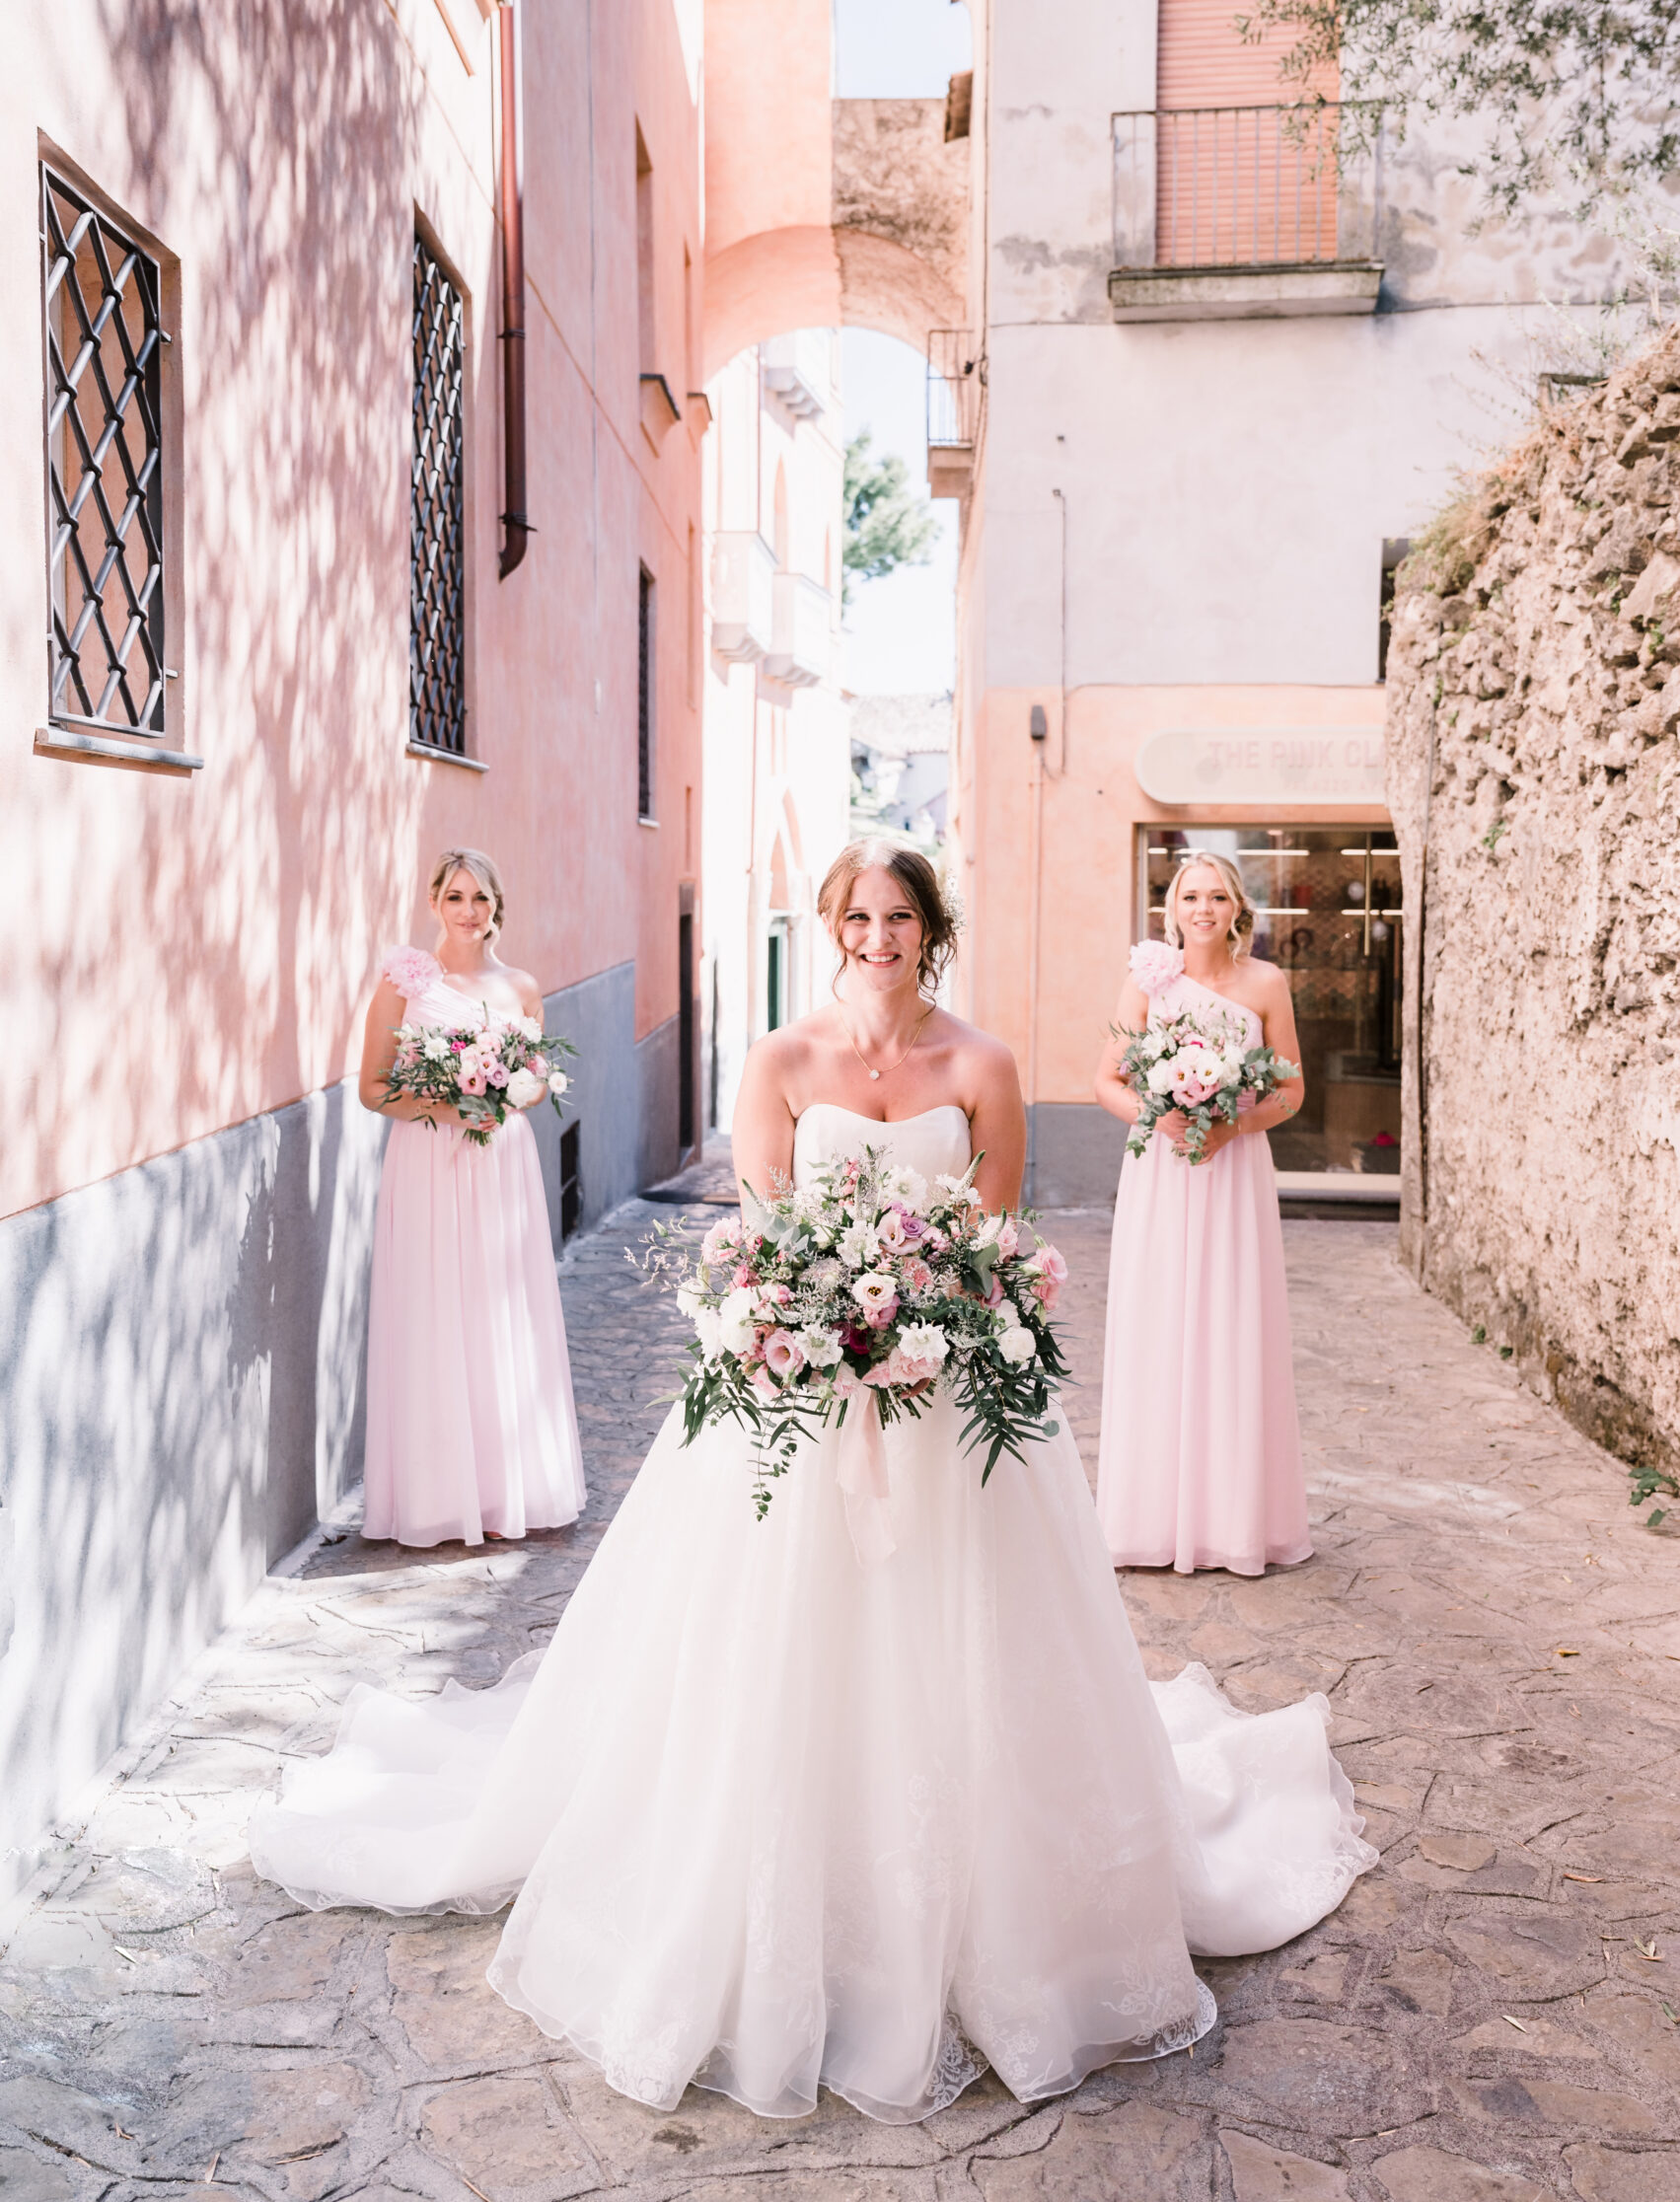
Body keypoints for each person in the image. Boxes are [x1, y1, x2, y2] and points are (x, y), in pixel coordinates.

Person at [251, 839, 1371, 2123]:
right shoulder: (780, 1061)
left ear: (927, 929)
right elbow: (765, 1229)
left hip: (951, 1411)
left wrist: (920, 1326)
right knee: (771, 1661)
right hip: (796, 1401)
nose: (877, 936)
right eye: (856, 916)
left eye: (899, 917)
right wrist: (822, 1326)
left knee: (968, 1655)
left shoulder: (981, 1064)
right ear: (829, 926)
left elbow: (992, 1239)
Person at [358, 846, 586, 1548]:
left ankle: (505, 1489)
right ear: (434, 903)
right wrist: (456, 1106)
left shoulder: (521, 986)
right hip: (429, 1160)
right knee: (434, 1310)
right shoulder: (406, 981)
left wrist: (511, 1092)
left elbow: (540, 1079)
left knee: (501, 1308)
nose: (468, 911)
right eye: (455, 897)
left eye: (480, 899)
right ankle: (434, 1495)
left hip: (502, 1165)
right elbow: (372, 1087)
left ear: (496, 908)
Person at [1094, 850, 1310, 1577]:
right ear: (1172, 908)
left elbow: (1290, 1089)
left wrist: (1233, 1127)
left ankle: (1233, 1521)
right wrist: (1156, 1118)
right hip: (1160, 1170)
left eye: (1217, 897)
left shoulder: (1266, 983)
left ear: (1236, 909)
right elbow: (1105, 1080)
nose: (1203, 909)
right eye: (1191, 897)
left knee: (1231, 1323)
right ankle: (1148, 1518)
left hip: (1233, 1170)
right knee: (1159, 1320)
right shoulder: (1147, 982)